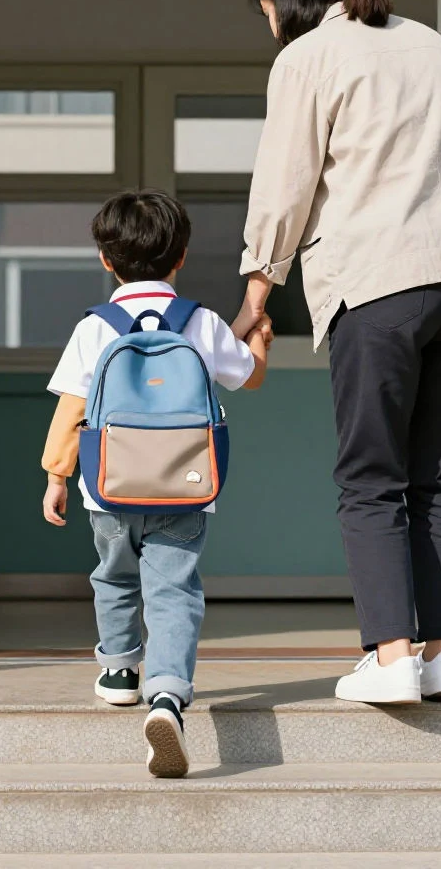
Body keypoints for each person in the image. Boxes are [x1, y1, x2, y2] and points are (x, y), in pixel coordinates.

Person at [231, 0, 441, 705]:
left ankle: (391, 659)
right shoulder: (432, 45)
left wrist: (257, 294)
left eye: (265, 9)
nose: (268, 24)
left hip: (381, 286)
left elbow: (285, 185)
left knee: (372, 477)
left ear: (285, 1)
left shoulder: (307, 58)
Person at [41, 191, 271, 776]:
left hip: (108, 485)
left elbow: (72, 408)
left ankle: (120, 671)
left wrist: (56, 475)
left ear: (105, 259)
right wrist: (259, 339)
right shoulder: (201, 321)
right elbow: (248, 378)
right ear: (182, 257)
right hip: (185, 487)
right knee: (173, 591)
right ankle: (167, 695)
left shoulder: (94, 327)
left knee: (114, 576)